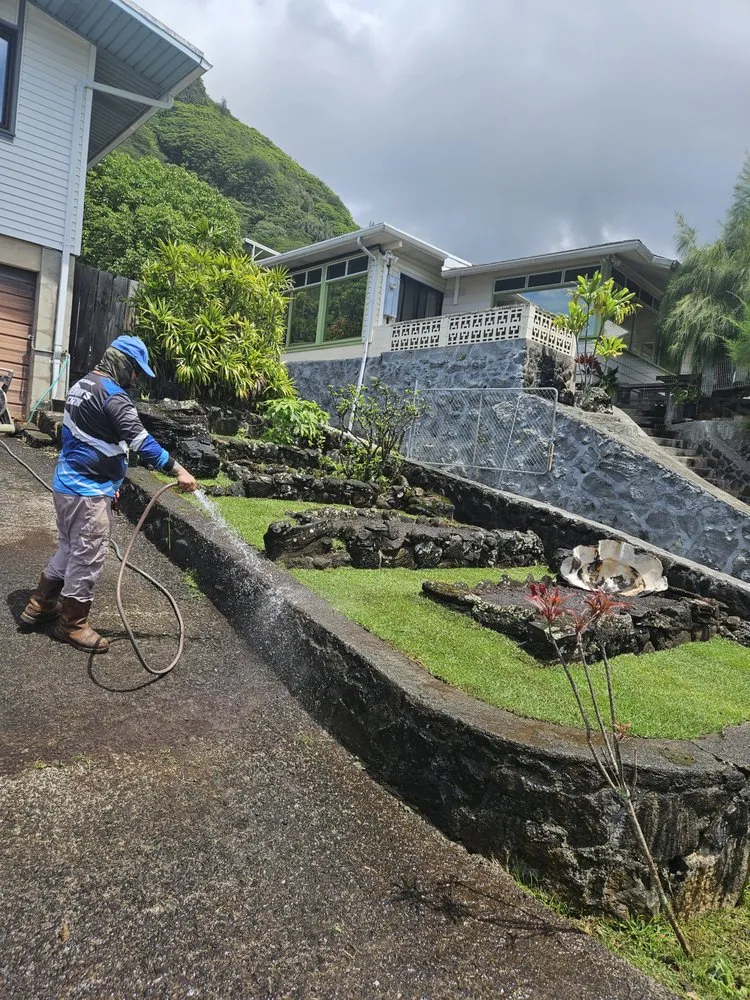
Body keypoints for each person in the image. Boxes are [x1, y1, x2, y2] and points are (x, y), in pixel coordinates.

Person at [21, 335, 197, 653]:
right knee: (87, 556)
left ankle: (40, 604)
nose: (136, 378)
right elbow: (141, 442)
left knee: (70, 548)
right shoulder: (113, 397)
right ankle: (72, 625)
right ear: (122, 363)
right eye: (135, 370)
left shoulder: (81, 386)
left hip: (67, 485)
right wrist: (178, 470)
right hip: (88, 493)